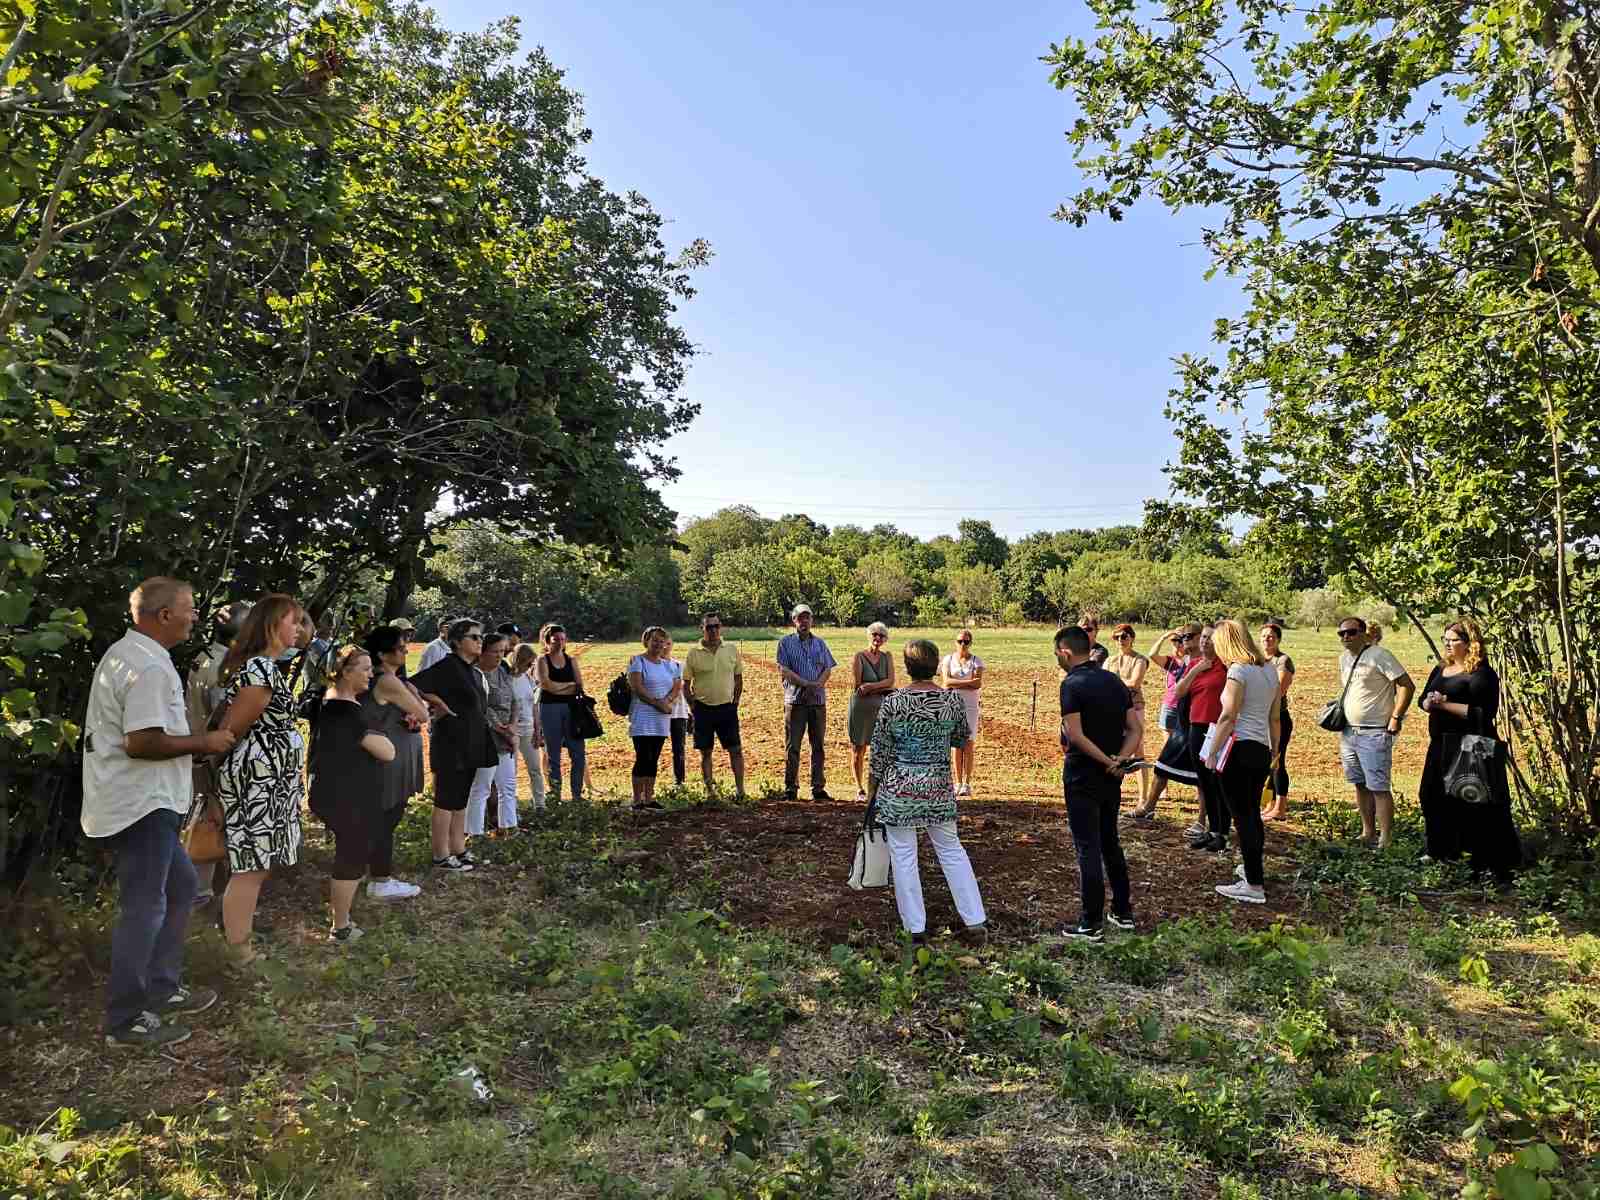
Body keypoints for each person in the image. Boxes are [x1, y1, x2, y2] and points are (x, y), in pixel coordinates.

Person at [83, 577, 231, 1048]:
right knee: (145, 907)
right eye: (189, 609)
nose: (195, 616)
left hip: (149, 799)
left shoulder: (139, 656)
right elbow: (141, 742)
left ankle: (163, 989)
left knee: (182, 885)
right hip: (142, 803)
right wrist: (203, 743)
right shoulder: (145, 667)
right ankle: (125, 1020)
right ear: (164, 615)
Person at [867, 638, 987, 947]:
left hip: (899, 789)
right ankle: (975, 921)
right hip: (937, 787)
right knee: (951, 850)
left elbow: (879, 751)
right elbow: (961, 739)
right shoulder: (951, 701)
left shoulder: (893, 702)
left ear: (907, 668)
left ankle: (915, 930)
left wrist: (872, 791)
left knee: (904, 856)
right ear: (935, 667)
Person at [215, 594, 310, 965]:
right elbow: (230, 731)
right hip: (257, 781)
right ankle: (239, 953)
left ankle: (241, 942)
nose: (299, 629)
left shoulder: (268, 667)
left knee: (258, 864)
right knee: (250, 866)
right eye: (294, 621)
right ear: (272, 625)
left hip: (270, 780)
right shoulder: (260, 671)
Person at [1055, 625, 1142, 943]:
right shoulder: (1114, 680)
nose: (1058, 661)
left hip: (1082, 775)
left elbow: (1075, 735)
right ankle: (1122, 911)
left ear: (1065, 652)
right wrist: (1119, 760)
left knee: (1087, 847)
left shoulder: (1071, 684)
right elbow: (1135, 729)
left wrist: (1107, 762)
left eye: (1057, 655)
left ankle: (1090, 923)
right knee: (1110, 842)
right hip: (1111, 778)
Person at [1417, 619, 1522, 878]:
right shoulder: (1441, 669)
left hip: (1471, 746)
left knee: (1473, 803)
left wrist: (1445, 704)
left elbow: (1482, 714)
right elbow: (1422, 698)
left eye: (1454, 640)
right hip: (1441, 744)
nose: (1448, 645)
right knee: (1431, 795)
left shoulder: (1482, 674)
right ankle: (1440, 850)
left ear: (1469, 643)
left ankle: (1486, 860)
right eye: (1445, 639)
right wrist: (1428, 702)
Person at [308, 647, 396, 942]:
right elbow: (387, 752)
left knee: (353, 850)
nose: (372, 674)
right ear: (346, 671)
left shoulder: (332, 703)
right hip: (344, 795)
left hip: (339, 791)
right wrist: (382, 738)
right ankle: (340, 927)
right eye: (366, 668)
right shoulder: (345, 711)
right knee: (352, 853)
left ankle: (342, 920)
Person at [1202, 620, 1282, 904]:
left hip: (1237, 749)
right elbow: (1275, 717)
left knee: (1242, 817)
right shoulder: (1270, 670)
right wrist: (1274, 751)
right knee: (1251, 815)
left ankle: (1254, 885)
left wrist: (1212, 752)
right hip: (1260, 749)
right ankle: (1252, 870)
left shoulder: (1237, 671)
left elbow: (1228, 715)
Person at [408, 619, 496, 870]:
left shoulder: (469, 669)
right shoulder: (447, 666)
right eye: (474, 637)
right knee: (446, 799)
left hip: (471, 742)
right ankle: (440, 855)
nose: (480, 642)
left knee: (461, 799)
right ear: (457, 642)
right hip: (451, 742)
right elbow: (412, 684)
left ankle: (459, 848)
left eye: (481, 637)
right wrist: (437, 703)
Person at [184, 599, 250, 909]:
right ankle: (205, 897)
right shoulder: (225, 668)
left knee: (206, 822)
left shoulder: (206, 655)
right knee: (213, 824)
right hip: (215, 760)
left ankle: (204, 892)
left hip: (200, 754)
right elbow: (227, 718)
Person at [359, 625, 429, 899]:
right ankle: (380, 878)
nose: (406, 651)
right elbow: (422, 712)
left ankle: (370, 872)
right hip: (388, 757)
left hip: (389, 752)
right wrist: (411, 695)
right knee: (386, 817)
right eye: (400, 648)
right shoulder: (387, 680)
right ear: (382, 653)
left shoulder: (384, 679)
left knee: (384, 816)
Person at [1334, 616, 1415, 849]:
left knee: (1379, 787)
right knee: (1359, 783)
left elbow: (1407, 685)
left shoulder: (1380, 655)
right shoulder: (1343, 659)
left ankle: (1385, 839)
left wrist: (1396, 717)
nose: (1346, 637)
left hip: (1375, 732)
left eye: (1351, 632)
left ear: (1363, 633)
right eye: (1342, 633)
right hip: (1349, 733)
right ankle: (1367, 832)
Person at [776, 603, 836, 801]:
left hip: (817, 701)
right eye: (800, 618)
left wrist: (817, 685)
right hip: (795, 701)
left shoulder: (820, 643)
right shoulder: (785, 643)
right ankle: (791, 788)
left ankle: (818, 788)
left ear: (812, 620)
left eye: (807, 617)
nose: (804, 621)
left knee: (818, 745)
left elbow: (828, 669)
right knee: (793, 746)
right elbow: (784, 670)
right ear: (794, 621)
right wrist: (806, 684)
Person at [1138, 624, 1199, 818]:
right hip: (1174, 713)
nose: (1179, 643)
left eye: (1183, 639)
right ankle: (1156, 798)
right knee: (1165, 755)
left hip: (1192, 717)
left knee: (1197, 762)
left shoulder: (1198, 661)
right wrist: (1165, 636)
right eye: (1177, 640)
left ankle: (1202, 810)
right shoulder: (1174, 662)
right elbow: (1152, 654)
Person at [683, 612, 746, 800]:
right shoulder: (693, 653)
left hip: (727, 708)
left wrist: (735, 701)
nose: (713, 630)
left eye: (716, 626)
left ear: (721, 627)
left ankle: (740, 790)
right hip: (703, 709)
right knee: (706, 752)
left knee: (735, 749)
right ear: (702, 629)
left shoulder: (731, 649)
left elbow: (738, 677)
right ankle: (710, 792)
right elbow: (686, 683)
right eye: (708, 627)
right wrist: (693, 705)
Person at [1178, 626, 1229, 851]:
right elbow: (1179, 692)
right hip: (1196, 728)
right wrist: (1196, 669)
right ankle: (1212, 830)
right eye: (1204, 637)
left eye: (1210, 638)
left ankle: (1223, 833)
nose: (1205, 642)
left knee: (1218, 782)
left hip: (1217, 728)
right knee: (1204, 781)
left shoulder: (1226, 666)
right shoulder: (1195, 665)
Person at [465, 632, 518, 840]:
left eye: (502, 652)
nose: (499, 656)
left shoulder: (503, 672)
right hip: (486, 737)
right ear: (483, 652)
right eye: (495, 652)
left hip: (506, 738)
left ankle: (508, 827)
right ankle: (474, 832)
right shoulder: (476, 675)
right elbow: (484, 708)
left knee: (508, 785)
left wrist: (512, 727)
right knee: (481, 787)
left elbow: (513, 701)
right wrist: (502, 729)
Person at [627, 626, 683, 809]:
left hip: (661, 719)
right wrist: (657, 703)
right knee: (643, 757)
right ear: (646, 642)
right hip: (643, 718)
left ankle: (649, 799)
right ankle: (637, 800)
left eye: (662, 640)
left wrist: (667, 701)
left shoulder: (670, 665)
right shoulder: (637, 661)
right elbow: (637, 687)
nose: (658, 644)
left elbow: (676, 686)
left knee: (653, 758)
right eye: (655, 640)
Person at [536, 622, 588, 802]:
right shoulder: (542, 660)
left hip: (572, 709)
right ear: (547, 641)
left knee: (578, 752)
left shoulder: (571, 660)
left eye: (562, 639)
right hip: (549, 709)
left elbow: (579, 686)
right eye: (555, 639)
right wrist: (567, 686)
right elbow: (546, 685)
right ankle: (556, 794)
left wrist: (558, 688)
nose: (559, 642)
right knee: (553, 754)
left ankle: (576, 795)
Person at [848, 623, 896, 800]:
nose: (877, 638)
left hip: (881, 709)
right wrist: (879, 687)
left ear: (885, 640)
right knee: (858, 748)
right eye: (875, 635)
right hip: (860, 708)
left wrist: (871, 687)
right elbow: (858, 686)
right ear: (869, 636)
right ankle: (859, 788)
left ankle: (877, 787)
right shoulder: (859, 656)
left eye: (881, 636)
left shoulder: (887, 657)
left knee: (880, 748)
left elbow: (890, 681)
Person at [1106, 624, 1150, 811]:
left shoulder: (1140, 659)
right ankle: (1112, 792)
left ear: (1132, 637)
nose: (1120, 640)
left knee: (1137, 752)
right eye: (1116, 637)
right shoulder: (1110, 660)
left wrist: (1112, 682)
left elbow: (1134, 683)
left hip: (1135, 707)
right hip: (1113, 709)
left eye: (1124, 636)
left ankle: (1143, 797)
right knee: (1114, 748)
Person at [939, 632, 984, 797]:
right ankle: (957, 782)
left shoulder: (976, 661)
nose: (962, 644)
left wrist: (957, 683)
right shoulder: (948, 660)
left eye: (966, 641)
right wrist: (968, 682)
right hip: (953, 706)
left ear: (970, 643)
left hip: (970, 707)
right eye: (960, 641)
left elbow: (978, 683)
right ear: (955, 642)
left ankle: (967, 783)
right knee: (956, 745)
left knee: (969, 744)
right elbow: (945, 682)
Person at [1259, 623, 1296, 822]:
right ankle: (1269, 804)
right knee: (1267, 762)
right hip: (1261, 718)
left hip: (1278, 718)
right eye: (1264, 636)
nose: (1267, 639)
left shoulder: (1283, 661)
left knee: (1278, 762)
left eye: (1272, 636)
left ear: (1278, 639)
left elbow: (1278, 691)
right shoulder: (1258, 661)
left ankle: (1280, 808)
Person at [508, 643, 547, 813]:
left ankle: (540, 804)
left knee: (535, 769)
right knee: (511, 771)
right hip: (513, 731)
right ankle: (511, 806)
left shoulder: (528, 679)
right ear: (519, 660)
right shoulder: (507, 679)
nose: (530, 667)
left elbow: (534, 705)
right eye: (528, 663)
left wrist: (538, 730)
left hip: (529, 729)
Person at [663, 634, 692, 786]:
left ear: (672, 644)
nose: (665, 646)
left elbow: (684, 688)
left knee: (679, 749)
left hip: (678, 712)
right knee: (653, 749)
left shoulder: (679, 666)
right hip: (658, 713)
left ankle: (679, 781)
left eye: (668, 643)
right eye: (662, 643)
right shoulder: (651, 666)